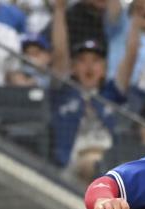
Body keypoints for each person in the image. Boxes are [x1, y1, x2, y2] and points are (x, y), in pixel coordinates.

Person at [49, 0, 134, 181]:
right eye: (82, 60)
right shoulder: (63, 91)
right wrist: (59, 9)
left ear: (104, 68)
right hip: (73, 164)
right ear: (73, 68)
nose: (89, 66)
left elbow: (130, 57)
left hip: (112, 163)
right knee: (94, 163)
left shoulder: (111, 94)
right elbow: (59, 53)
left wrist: (137, 22)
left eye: (95, 61)